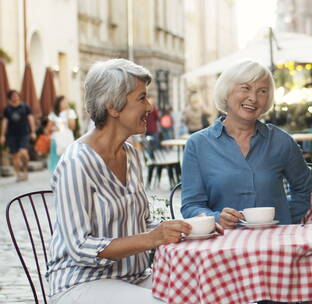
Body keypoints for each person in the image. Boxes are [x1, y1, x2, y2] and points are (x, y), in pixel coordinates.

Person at [46, 59, 219, 304]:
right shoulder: (76, 162)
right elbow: (79, 247)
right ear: (112, 107)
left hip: (133, 277)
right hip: (81, 282)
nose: (150, 106)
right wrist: (153, 238)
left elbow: (142, 223)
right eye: (141, 98)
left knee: (204, 293)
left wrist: (185, 227)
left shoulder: (130, 154)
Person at [180, 60, 312, 228]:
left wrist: (286, 219)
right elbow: (191, 206)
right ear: (226, 92)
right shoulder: (198, 145)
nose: (253, 98)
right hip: (223, 245)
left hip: (276, 245)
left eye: (262, 91)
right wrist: (215, 219)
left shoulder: (282, 141)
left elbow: (303, 188)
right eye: (245, 88)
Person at [0, 90, 36, 182]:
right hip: (12, 135)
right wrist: (2, 135)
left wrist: (33, 132)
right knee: (14, 156)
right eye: (12, 96)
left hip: (24, 133)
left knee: (23, 153)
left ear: (19, 96)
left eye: (16, 95)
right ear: (9, 98)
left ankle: (25, 171)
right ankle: (18, 174)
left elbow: (31, 119)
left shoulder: (25, 107)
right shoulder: (7, 109)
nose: (15, 97)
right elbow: (5, 122)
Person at [47, 96, 77, 172]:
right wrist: (54, 128)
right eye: (63, 101)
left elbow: (72, 126)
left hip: (67, 137)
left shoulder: (70, 112)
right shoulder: (53, 114)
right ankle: (57, 174)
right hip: (56, 139)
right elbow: (48, 129)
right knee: (56, 158)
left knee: (69, 156)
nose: (65, 103)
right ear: (58, 103)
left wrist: (67, 114)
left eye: (66, 101)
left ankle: (69, 173)